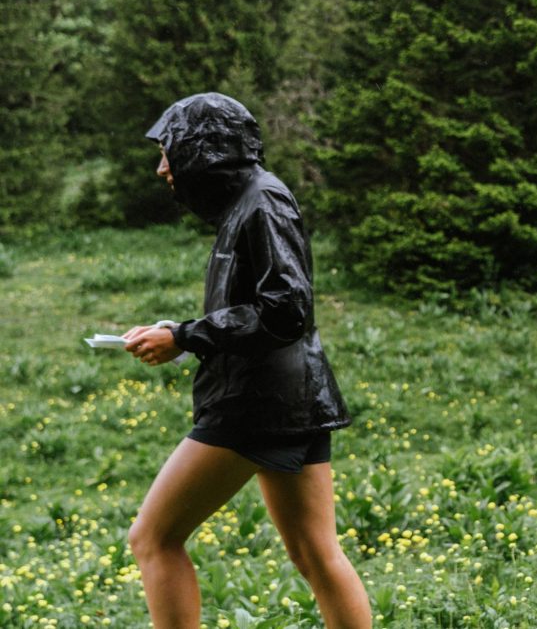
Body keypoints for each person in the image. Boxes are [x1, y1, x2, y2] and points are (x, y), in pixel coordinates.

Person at [122, 92, 372, 629]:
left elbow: (287, 310)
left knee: (153, 538)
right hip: (293, 399)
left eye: (169, 150)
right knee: (315, 554)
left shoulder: (263, 202)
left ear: (202, 149)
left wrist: (186, 336)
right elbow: (259, 307)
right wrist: (177, 331)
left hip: (256, 402)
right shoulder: (250, 202)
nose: (161, 166)